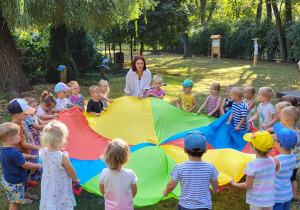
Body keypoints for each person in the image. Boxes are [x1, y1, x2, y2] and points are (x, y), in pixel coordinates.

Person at [163, 131, 219, 209]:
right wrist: (215, 190)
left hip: (185, 206)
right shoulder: (210, 167)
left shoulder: (180, 167)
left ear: (185, 150)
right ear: (205, 150)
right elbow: (215, 183)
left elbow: (170, 186)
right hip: (203, 207)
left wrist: (166, 192)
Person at [7, 98, 43, 204]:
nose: (28, 115)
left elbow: (27, 139)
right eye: (26, 113)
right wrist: (40, 148)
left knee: (24, 176)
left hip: (25, 155)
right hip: (19, 157)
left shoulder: (21, 122)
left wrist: (34, 146)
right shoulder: (16, 126)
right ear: (17, 114)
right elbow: (24, 144)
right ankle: (21, 198)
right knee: (20, 178)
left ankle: (26, 193)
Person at [0, 122, 42, 208]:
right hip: (14, 181)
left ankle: (24, 195)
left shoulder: (5, 149)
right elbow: (25, 165)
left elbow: (20, 156)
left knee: (17, 196)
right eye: (18, 136)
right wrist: (37, 166)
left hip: (10, 178)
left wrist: (31, 156)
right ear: (12, 138)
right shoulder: (14, 152)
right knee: (14, 203)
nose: (20, 137)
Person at [39, 120, 80, 209]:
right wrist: (76, 179)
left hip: (47, 183)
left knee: (50, 198)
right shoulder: (62, 157)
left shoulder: (42, 152)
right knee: (59, 199)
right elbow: (71, 171)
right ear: (62, 139)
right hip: (60, 184)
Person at [230, 131, 276, 210]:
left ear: (254, 147)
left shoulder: (252, 165)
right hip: (269, 200)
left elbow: (248, 185)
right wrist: (249, 168)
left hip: (256, 201)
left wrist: (234, 184)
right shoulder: (272, 161)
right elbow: (263, 171)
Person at [99, 138, 138, 210]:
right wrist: (126, 200)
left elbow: (102, 190)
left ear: (107, 156)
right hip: (126, 207)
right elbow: (134, 191)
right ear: (126, 158)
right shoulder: (130, 174)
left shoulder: (104, 173)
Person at [272, 123, 297, 210]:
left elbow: (267, 171)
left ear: (280, 145)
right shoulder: (293, 157)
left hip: (277, 196)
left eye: (275, 140)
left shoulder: (276, 160)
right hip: (287, 193)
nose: (274, 141)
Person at [279, 106, 300, 203]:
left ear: (286, 120)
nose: (280, 119)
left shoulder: (287, 133)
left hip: (288, 160)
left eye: (281, 118)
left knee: (289, 178)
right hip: (296, 160)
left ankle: (290, 195)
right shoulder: (297, 130)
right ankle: (294, 196)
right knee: (293, 178)